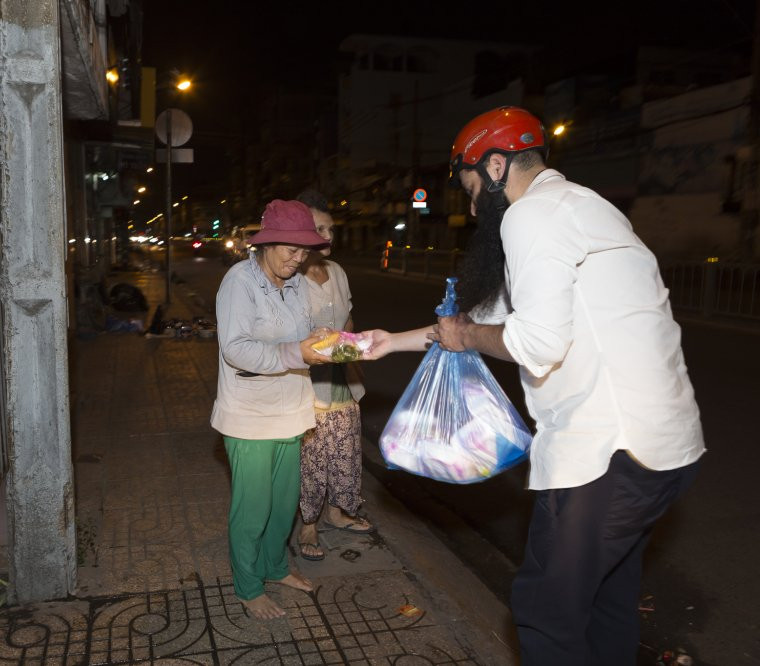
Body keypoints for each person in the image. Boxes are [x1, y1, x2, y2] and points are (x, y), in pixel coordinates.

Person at [364, 106, 705, 665]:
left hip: (607, 455)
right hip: (662, 452)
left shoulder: (531, 217)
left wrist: (468, 335)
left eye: (472, 189)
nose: (473, 208)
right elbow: (482, 320)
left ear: (496, 167)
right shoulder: (584, 208)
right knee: (607, 602)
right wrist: (390, 341)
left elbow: (533, 341)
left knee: (546, 614)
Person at [211, 199, 332, 620]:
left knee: (283, 506)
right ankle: (247, 586)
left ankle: (275, 567)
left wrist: (316, 339)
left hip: (292, 409)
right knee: (253, 509)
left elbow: (296, 337)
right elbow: (236, 349)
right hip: (250, 414)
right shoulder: (238, 282)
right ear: (267, 243)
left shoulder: (296, 282)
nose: (297, 259)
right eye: (290, 250)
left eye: (304, 252)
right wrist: (293, 353)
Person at [293, 189, 371, 562]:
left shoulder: (337, 272)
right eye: (318, 227)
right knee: (312, 458)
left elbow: (349, 318)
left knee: (345, 450)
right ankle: (308, 524)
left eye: (330, 228)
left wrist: (354, 345)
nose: (327, 236)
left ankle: (338, 512)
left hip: (342, 379)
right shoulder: (290, 279)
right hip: (307, 384)